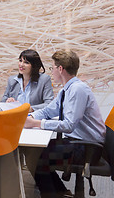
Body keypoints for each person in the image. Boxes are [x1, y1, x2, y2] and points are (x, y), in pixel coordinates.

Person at [24, 50, 106, 198]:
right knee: (34, 153)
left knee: (36, 158)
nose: (52, 72)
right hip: (76, 141)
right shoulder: (67, 90)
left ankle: (54, 194)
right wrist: (30, 117)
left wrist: (36, 123)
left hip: (87, 147)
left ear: (60, 69)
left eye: (52, 68)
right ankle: (61, 192)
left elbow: (68, 125)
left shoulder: (77, 90)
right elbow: (49, 111)